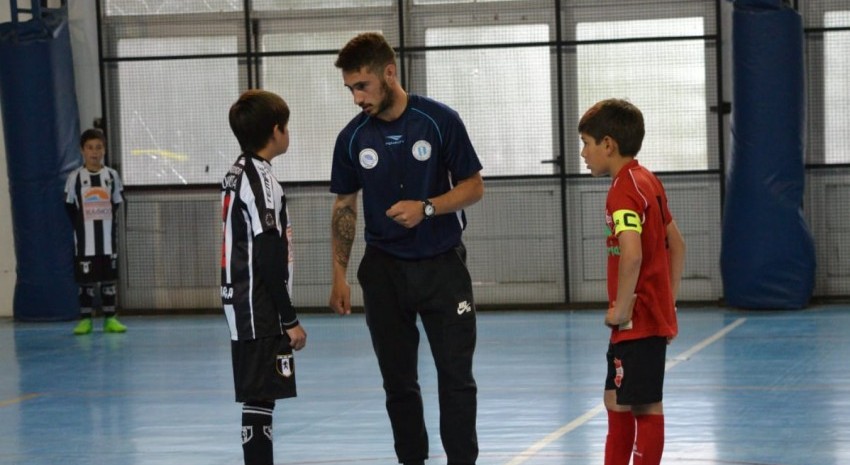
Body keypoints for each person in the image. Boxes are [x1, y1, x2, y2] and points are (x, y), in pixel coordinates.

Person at [329, 32, 484, 465]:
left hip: (442, 268)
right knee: (398, 383)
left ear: (389, 73)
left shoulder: (438, 121)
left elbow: (474, 187)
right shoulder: (351, 138)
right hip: (384, 272)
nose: (357, 98)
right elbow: (344, 204)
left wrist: (428, 208)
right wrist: (338, 275)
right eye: (351, 89)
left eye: (362, 86)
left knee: (456, 378)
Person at [578, 99, 686, 465]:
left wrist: (624, 308)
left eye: (586, 143)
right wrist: (667, 304)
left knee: (644, 406)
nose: (583, 153)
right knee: (615, 400)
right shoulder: (647, 180)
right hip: (640, 320)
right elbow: (678, 245)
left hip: (635, 321)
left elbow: (633, 253)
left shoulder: (624, 190)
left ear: (608, 145)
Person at [221, 89, 307, 465]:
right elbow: (269, 252)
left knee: (260, 396)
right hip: (259, 305)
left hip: (242, 303)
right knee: (260, 398)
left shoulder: (237, 171)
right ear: (276, 130)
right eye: (286, 126)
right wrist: (289, 318)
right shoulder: (261, 181)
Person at [65, 128, 127, 335]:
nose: (95, 152)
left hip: (108, 241)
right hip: (84, 241)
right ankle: (85, 320)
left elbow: (117, 202)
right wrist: (81, 227)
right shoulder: (75, 177)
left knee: (108, 279)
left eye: (99, 147)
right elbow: (69, 207)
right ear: (82, 150)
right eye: (90, 148)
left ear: (105, 150)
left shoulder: (112, 176)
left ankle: (110, 318)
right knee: (86, 282)